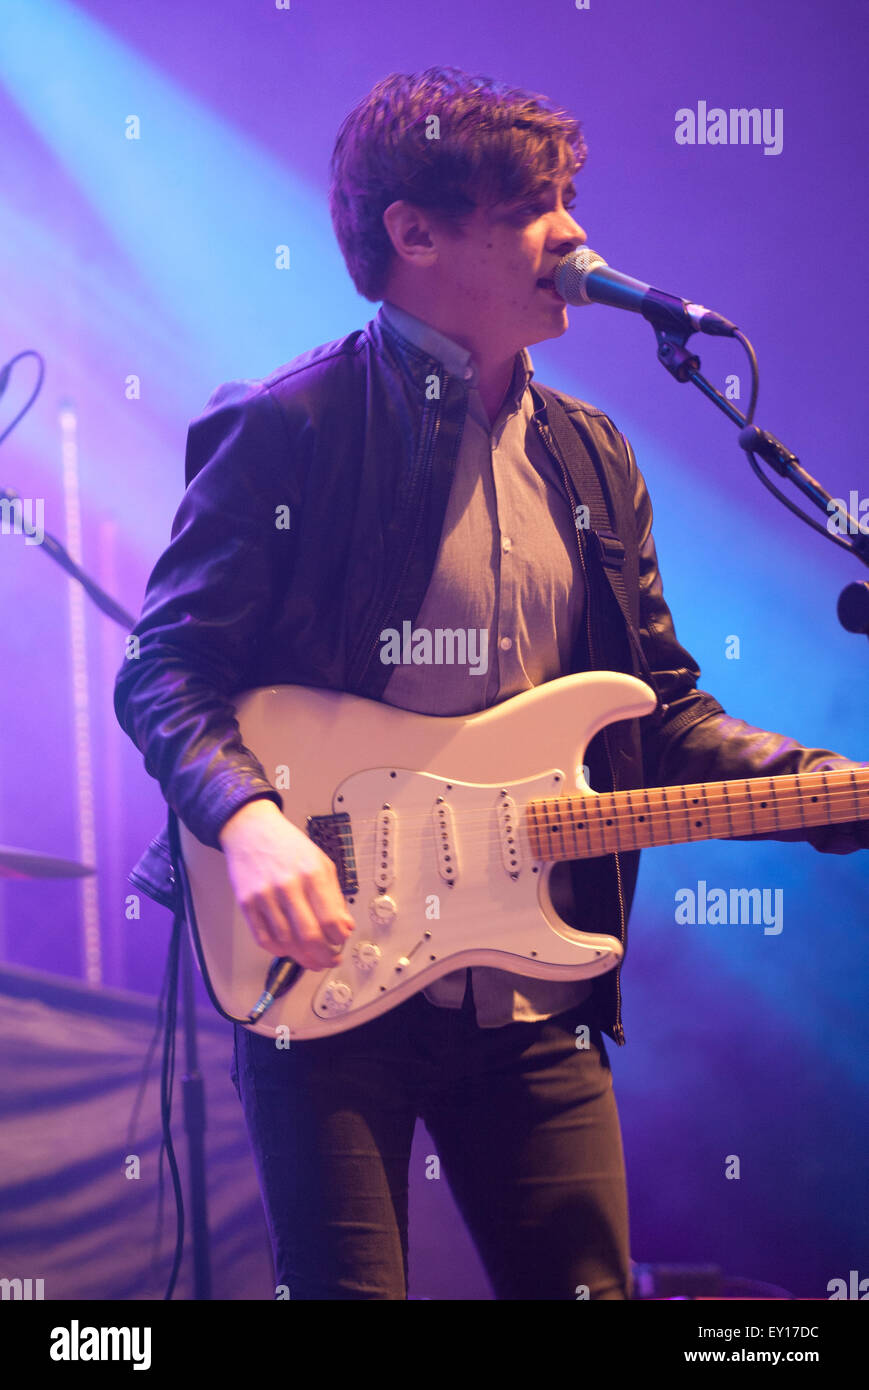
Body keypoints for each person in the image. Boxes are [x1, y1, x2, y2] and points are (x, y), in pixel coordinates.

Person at [114, 67, 868, 1301]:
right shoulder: (290, 429)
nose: (572, 233)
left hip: (532, 998)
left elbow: (657, 707)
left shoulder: (589, 451)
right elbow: (165, 669)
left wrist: (811, 785)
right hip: (330, 990)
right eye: (531, 206)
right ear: (411, 233)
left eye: (567, 197)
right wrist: (248, 822)